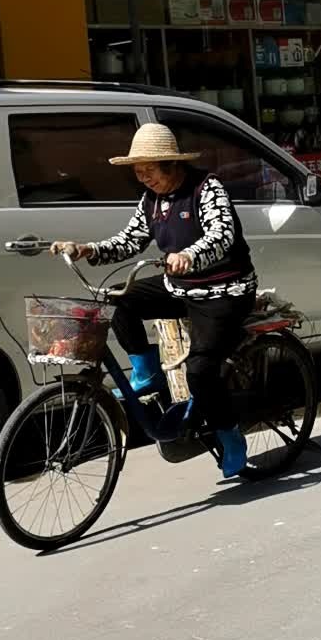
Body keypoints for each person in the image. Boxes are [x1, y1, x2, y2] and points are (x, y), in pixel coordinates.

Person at [52, 123, 257, 478]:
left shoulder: (206, 188)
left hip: (224, 291)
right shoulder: (152, 200)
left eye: (148, 171)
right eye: (138, 173)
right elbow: (129, 240)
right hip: (179, 288)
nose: (143, 178)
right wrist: (87, 249)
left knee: (200, 371)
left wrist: (190, 255)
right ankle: (146, 374)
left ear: (171, 165)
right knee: (118, 299)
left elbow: (222, 234)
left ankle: (230, 433)